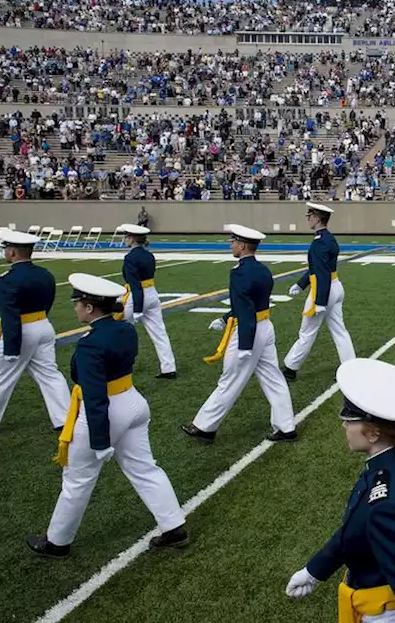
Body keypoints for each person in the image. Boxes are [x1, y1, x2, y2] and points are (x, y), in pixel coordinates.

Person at [26, 273, 188, 558]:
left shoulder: (91, 343)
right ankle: (174, 525)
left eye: (77, 302)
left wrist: (100, 441)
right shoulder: (124, 329)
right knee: (145, 468)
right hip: (133, 401)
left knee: (77, 480)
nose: (74, 307)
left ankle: (57, 542)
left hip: (107, 410)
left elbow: (95, 396)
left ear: (89, 307)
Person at [285, 359, 395, 622]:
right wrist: (315, 570)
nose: (344, 426)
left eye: (349, 420)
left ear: (374, 434)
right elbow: (357, 528)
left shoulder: (389, 500)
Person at [183, 225, 297, 442]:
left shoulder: (239, 273)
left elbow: (245, 309)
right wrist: (226, 318)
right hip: (265, 327)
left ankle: (205, 427)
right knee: (274, 379)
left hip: (249, 331)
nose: (231, 244)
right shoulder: (263, 270)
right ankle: (286, 426)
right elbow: (249, 303)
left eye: (233, 241)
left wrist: (244, 345)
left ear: (242, 246)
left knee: (230, 379)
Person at [0, 229, 71, 434]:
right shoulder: (45, 274)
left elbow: (9, 315)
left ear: (13, 253)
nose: (5, 253)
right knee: (50, 374)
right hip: (43, 325)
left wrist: (12, 350)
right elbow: (48, 303)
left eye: (6, 249)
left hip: (22, 331)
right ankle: (65, 417)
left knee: (2, 376)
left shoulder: (7, 279)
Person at [283, 202, 356, 380]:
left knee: (307, 331)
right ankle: (351, 367)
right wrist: (301, 284)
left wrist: (320, 301)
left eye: (310, 216)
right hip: (335, 286)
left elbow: (321, 273)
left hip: (324, 290)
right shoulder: (329, 239)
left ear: (316, 218)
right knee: (340, 330)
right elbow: (320, 268)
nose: (308, 219)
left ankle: (290, 368)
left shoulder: (319, 243)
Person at [116, 223, 177, 379]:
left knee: (116, 328)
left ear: (131, 239)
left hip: (138, 296)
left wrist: (137, 309)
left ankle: (119, 366)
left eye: (126, 237)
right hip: (152, 293)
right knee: (160, 333)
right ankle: (168, 368)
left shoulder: (130, 257)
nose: (125, 239)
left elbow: (135, 285)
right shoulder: (149, 255)